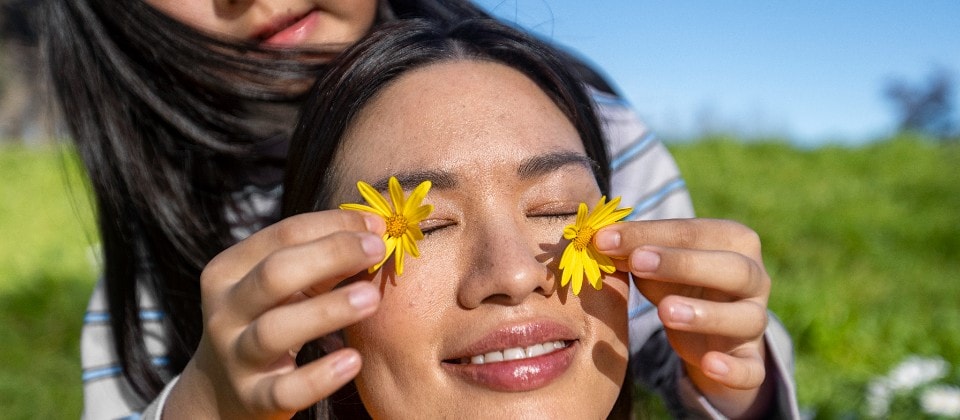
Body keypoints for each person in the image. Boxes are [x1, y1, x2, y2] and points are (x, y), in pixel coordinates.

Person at [36, 0, 799, 418]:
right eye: (425, 224)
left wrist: (744, 379)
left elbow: (681, 354)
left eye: (556, 209)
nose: (512, 273)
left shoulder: (588, 117)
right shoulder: (160, 224)